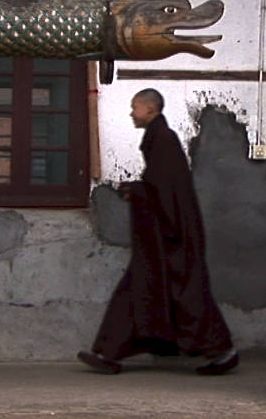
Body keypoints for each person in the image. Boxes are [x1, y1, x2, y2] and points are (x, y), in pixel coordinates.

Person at [78, 88, 237, 375]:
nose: (131, 113)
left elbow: (164, 191)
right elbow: (161, 187)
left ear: (151, 109)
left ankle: (222, 352)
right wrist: (138, 190)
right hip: (163, 236)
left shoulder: (163, 140)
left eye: (135, 107)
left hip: (170, 236)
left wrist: (135, 191)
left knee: (184, 295)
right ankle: (110, 354)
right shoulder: (158, 140)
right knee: (147, 292)